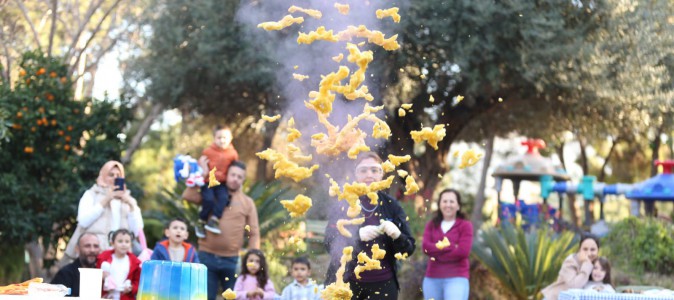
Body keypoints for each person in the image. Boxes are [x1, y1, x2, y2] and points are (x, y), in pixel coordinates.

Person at [324, 152, 416, 300]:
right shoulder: (343, 204)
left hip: (383, 284)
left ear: (382, 174)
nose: (369, 175)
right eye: (363, 170)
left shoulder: (392, 206)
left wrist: (397, 235)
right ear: (355, 175)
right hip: (346, 284)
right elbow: (329, 243)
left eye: (374, 170)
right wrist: (357, 236)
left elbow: (409, 248)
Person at [195, 161, 260, 300]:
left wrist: (253, 261)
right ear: (226, 175)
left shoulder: (247, 202)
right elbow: (187, 196)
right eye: (233, 175)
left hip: (231, 260)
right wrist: (202, 172)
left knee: (234, 298)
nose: (235, 179)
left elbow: (253, 233)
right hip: (206, 256)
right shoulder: (210, 195)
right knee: (204, 298)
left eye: (239, 176)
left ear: (243, 180)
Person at [65, 160, 143, 258]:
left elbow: (136, 231)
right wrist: (106, 199)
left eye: (118, 175)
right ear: (103, 176)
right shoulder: (91, 194)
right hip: (95, 253)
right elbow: (83, 221)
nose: (115, 178)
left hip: (121, 255)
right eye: (111, 175)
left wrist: (131, 205)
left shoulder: (128, 199)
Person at [421, 189, 474, 300]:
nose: (448, 205)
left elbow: (463, 252)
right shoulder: (431, 225)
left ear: (458, 206)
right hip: (432, 278)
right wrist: (451, 246)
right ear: (440, 204)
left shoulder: (465, 226)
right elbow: (425, 248)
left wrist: (436, 250)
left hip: (457, 278)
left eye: (451, 201)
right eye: (445, 201)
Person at [196, 126, 239, 238]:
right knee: (209, 199)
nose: (222, 140)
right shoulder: (208, 151)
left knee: (224, 198)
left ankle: (214, 220)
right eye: (219, 137)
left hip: (222, 183)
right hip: (208, 181)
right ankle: (201, 221)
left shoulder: (233, 154)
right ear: (214, 138)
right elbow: (200, 165)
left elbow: (235, 168)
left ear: (230, 138)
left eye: (225, 137)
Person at [541, 234, 600, 300]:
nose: (589, 253)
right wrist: (586, 264)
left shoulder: (597, 263)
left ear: (598, 250)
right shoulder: (570, 262)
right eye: (585, 249)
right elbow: (574, 286)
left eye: (592, 249)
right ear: (579, 249)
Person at [97, 229, 141, 300]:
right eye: (120, 241)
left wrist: (131, 288)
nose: (124, 244)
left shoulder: (134, 262)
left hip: (125, 297)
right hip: (106, 296)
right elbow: (95, 277)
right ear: (112, 243)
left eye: (127, 242)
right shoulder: (103, 258)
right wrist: (101, 276)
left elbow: (137, 281)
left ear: (131, 244)